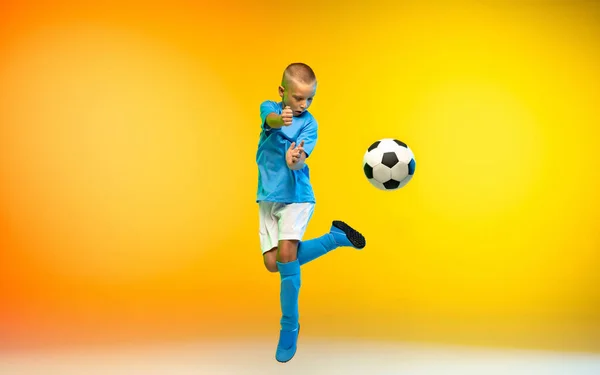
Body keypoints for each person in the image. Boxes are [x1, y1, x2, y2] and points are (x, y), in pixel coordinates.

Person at [256, 62, 367, 363]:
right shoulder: (270, 107)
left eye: (310, 99)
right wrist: (281, 118)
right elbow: (270, 119)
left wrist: (295, 158)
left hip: (297, 197)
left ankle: (289, 327)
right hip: (268, 197)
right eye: (298, 98)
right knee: (272, 263)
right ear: (283, 92)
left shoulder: (310, 124)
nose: (304, 105)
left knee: (287, 256)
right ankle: (335, 237)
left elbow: (301, 158)